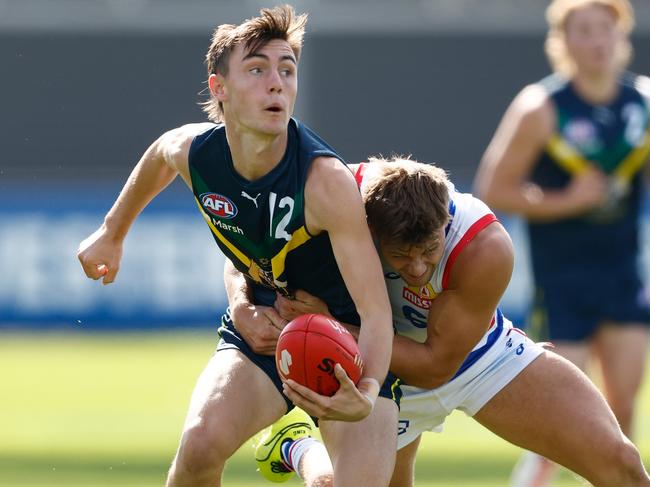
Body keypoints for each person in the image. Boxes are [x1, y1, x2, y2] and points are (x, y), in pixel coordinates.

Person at [76, 6, 400, 487]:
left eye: (287, 70)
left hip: (348, 343)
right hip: (263, 331)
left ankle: (295, 446)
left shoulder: (323, 181)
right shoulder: (198, 152)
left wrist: (368, 389)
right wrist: (112, 231)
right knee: (199, 449)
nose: (277, 83)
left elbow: (376, 313)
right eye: (257, 69)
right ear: (218, 89)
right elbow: (163, 151)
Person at [233, 157, 650, 487]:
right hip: (380, 374)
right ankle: (299, 448)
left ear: (445, 224)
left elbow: (436, 367)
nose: (416, 268)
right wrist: (241, 305)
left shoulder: (484, 246)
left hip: (474, 357)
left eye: (429, 250)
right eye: (399, 255)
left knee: (623, 465)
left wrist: (336, 326)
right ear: (370, 232)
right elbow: (242, 247)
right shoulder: (336, 201)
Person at [473, 0, 650, 484]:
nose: (597, 40)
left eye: (606, 30)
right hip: (562, 281)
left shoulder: (643, 104)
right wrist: (567, 199)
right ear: (563, 42)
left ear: (622, 37)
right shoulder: (541, 107)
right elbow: (494, 189)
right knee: (560, 424)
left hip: (623, 277)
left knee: (621, 417)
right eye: (584, 30)